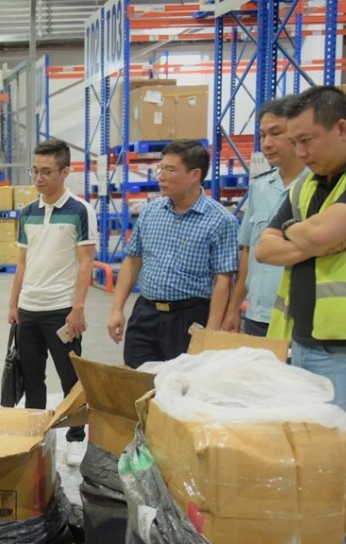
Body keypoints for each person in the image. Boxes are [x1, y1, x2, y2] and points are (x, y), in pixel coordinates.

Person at [107, 140, 239, 367]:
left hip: (189, 318)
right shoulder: (150, 212)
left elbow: (223, 280)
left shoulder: (220, 220)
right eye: (161, 169)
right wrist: (117, 309)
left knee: (184, 386)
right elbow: (132, 261)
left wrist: (211, 331)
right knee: (137, 382)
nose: (161, 176)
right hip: (146, 313)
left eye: (170, 170)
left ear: (195, 174)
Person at [257, 86, 346, 410]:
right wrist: (308, 238)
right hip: (301, 342)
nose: (301, 152)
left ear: (341, 128)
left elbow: (323, 232)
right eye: (295, 143)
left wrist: (291, 232)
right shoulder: (305, 187)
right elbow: (264, 250)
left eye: (307, 140)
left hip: (341, 351)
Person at [7, 138, 97, 443]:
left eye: (46, 171)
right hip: (29, 311)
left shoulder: (81, 210)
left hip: (61, 312)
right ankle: (36, 434)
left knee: (72, 380)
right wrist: (13, 304)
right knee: (32, 379)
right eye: (35, 171)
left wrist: (78, 308)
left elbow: (86, 264)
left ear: (65, 172)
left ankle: (75, 437)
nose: (39, 178)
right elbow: (22, 262)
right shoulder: (27, 212)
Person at [222, 96, 309, 337]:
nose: (266, 143)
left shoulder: (319, 186)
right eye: (262, 135)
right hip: (258, 316)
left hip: (300, 318)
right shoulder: (260, 187)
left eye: (276, 133)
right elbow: (248, 252)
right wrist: (233, 308)